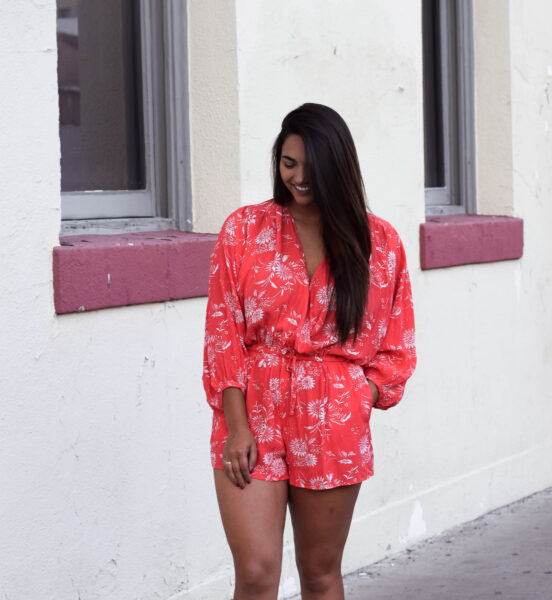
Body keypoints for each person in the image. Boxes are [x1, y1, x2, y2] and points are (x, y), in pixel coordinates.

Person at [202, 103, 416, 600]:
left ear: (337, 165)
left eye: (309, 165)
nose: (297, 177)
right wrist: (236, 426)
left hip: (333, 418)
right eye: (288, 162)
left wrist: (361, 394)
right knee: (256, 573)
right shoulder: (244, 230)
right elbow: (223, 333)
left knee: (320, 575)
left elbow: (397, 343)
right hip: (252, 411)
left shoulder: (378, 243)